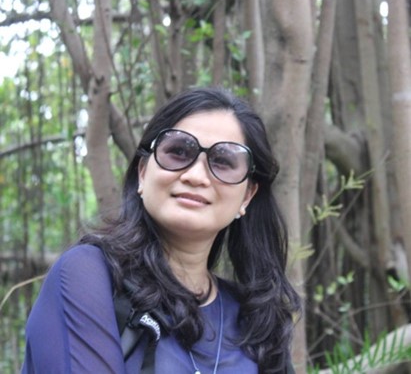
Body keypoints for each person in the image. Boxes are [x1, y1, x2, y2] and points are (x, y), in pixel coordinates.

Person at [22, 87, 300, 374]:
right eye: (178, 152)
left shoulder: (256, 320)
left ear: (247, 196)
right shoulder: (89, 276)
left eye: (222, 161)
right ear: (143, 172)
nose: (196, 176)